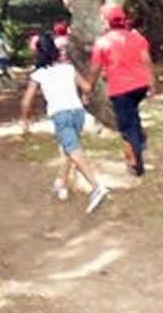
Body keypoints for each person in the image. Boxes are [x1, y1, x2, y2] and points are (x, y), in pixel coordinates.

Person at [20, 33, 110, 213]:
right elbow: (86, 87)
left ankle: (96, 186)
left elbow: (26, 101)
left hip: (60, 115)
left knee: (73, 150)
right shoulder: (68, 69)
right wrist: (81, 96)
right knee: (68, 149)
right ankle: (61, 182)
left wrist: (25, 120)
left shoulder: (38, 74)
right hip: (77, 113)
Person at [89, 5, 155, 177]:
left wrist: (89, 87)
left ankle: (136, 163)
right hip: (140, 85)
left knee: (127, 126)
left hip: (121, 89)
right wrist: (152, 83)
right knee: (133, 114)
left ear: (106, 21)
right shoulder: (136, 38)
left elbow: (95, 69)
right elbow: (146, 60)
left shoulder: (102, 42)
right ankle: (140, 140)